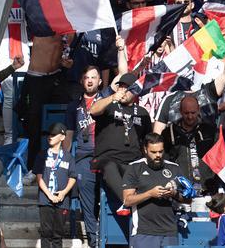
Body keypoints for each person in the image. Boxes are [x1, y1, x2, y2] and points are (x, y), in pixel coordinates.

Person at [90, 72, 152, 211]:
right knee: (110, 166)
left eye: (127, 88)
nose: (122, 91)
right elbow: (93, 110)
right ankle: (127, 201)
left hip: (133, 159)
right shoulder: (110, 105)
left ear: (135, 91)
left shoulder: (142, 112)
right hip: (108, 158)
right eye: (121, 87)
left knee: (143, 171)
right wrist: (112, 97)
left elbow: (148, 139)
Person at [122, 133, 187, 247]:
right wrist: (150, 194)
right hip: (144, 232)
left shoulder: (174, 168)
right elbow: (127, 200)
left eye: (160, 151)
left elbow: (188, 200)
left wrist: (173, 193)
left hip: (170, 231)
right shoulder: (134, 167)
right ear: (145, 150)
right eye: (153, 152)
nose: (158, 155)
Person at [64, 66, 103, 247]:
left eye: (93, 77)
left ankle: (109, 237)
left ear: (100, 81)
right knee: (87, 203)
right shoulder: (74, 106)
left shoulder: (107, 100)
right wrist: (65, 160)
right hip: (83, 157)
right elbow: (69, 135)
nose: (90, 80)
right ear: (82, 80)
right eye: (86, 77)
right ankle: (94, 241)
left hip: (106, 155)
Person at [159, 95, 215, 193]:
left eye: (193, 112)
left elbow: (217, 159)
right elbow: (165, 162)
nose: (190, 116)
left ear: (198, 110)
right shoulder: (168, 133)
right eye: (186, 113)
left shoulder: (210, 131)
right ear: (180, 111)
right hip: (181, 191)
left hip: (207, 190)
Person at [34, 122, 77, 248]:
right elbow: (39, 177)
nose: (50, 137)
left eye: (54, 134)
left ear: (62, 137)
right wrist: (49, 195)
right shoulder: (42, 154)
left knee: (58, 234)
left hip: (62, 200)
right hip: (45, 199)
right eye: (49, 134)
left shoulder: (68, 157)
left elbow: (73, 177)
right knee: (46, 233)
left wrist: (63, 192)